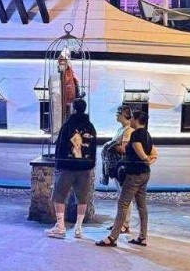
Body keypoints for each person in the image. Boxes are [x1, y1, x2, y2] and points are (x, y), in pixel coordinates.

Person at [97, 109, 153, 247]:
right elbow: (154, 153)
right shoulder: (147, 134)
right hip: (145, 173)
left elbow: (140, 153)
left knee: (123, 204)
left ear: (137, 120)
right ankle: (142, 237)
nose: (130, 120)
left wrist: (145, 159)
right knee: (142, 206)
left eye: (132, 118)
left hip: (134, 174)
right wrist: (149, 161)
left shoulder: (135, 135)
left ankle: (113, 237)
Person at [45, 98, 97, 240]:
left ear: (73, 108)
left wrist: (58, 164)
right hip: (84, 168)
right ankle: (78, 228)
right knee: (82, 198)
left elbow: (61, 146)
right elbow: (93, 147)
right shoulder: (90, 126)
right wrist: (90, 164)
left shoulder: (67, 126)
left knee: (59, 196)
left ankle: (60, 226)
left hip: (67, 166)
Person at [101, 105, 136, 234]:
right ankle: (119, 222)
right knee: (120, 195)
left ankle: (125, 223)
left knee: (125, 196)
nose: (116, 115)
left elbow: (124, 149)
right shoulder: (120, 129)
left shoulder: (128, 131)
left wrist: (110, 145)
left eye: (118, 113)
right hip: (117, 167)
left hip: (123, 167)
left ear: (123, 115)